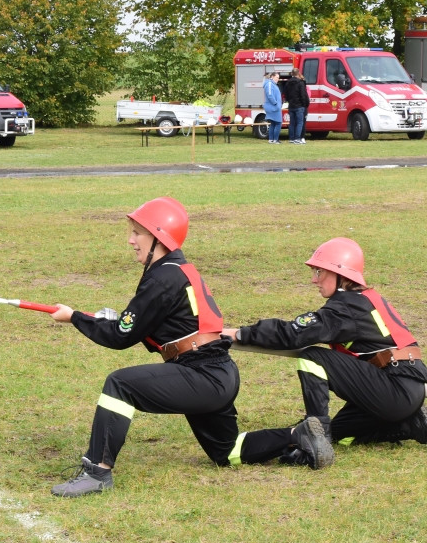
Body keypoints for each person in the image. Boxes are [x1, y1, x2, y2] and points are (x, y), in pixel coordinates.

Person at [46, 198, 333, 497]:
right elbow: (148, 326)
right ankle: (296, 436)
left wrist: (74, 318)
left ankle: (97, 472)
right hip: (216, 372)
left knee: (119, 384)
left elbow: (121, 336)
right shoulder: (178, 270)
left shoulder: (161, 278)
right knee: (226, 451)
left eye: (138, 233)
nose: (131, 240)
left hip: (202, 374)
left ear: (159, 237)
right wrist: (98, 320)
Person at [224, 238, 427, 461]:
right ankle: (408, 424)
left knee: (312, 357)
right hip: (406, 390)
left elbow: (294, 333)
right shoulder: (365, 300)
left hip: (393, 389)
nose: (314, 280)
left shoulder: (346, 307)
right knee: (339, 435)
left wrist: (240, 334)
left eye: (320, 272)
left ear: (342, 275)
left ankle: (313, 432)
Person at [284, 67, 310, 144]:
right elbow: (303, 94)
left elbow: (286, 94)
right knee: (300, 122)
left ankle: (291, 138)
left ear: (292, 74)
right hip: (299, 105)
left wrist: (289, 101)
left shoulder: (288, 83)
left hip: (291, 105)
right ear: (298, 73)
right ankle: (297, 138)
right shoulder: (300, 83)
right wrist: (305, 104)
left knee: (292, 123)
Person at [262, 71, 283, 144]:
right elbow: (270, 95)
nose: (278, 79)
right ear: (272, 77)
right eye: (277, 77)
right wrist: (275, 103)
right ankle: (275, 140)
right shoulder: (270, 84)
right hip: (273, 107)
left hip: (273, 107)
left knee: (273, 123)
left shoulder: (272, 84)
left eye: (278, 78)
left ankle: (271, 139)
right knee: (278, 123)